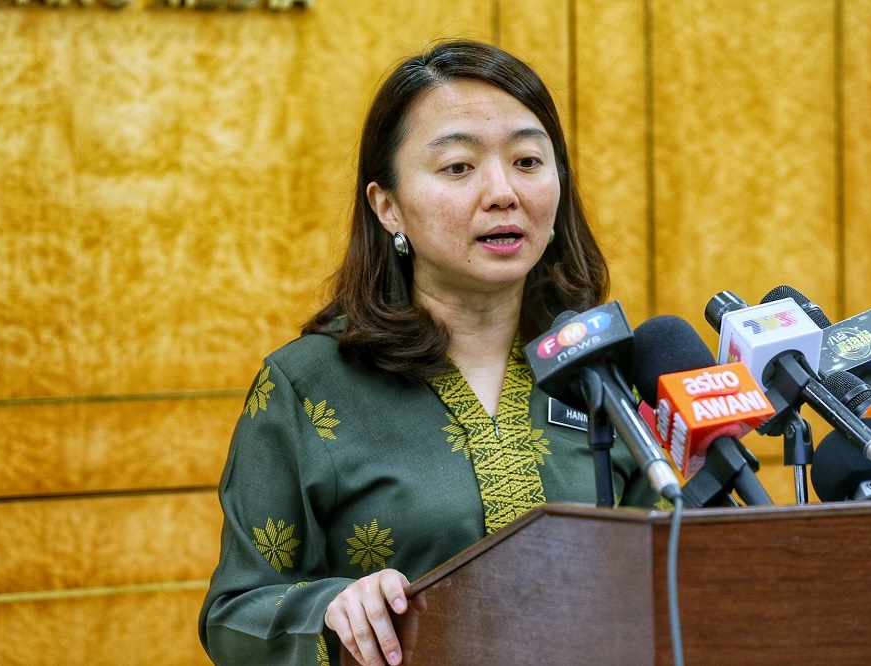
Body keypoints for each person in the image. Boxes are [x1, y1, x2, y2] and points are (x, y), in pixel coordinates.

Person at [198, 38, 660, 666]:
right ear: (388, 207)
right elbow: (233, 617)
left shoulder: (599, 366)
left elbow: (673, 569)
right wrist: (331, 610)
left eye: (528, 161)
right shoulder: (307, 385)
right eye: (458, 167)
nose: (503, 192)